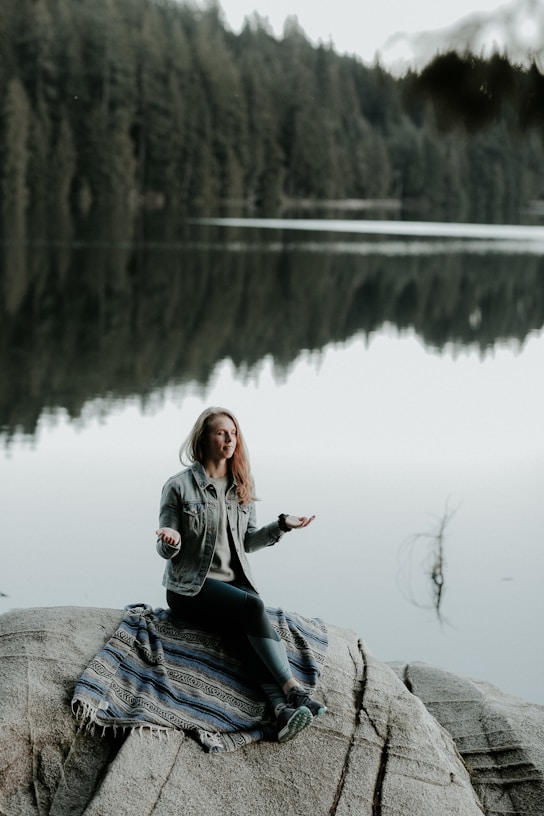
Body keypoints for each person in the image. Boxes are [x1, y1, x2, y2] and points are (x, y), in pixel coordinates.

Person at [155, 406, 327, 744]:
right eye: (221, 432)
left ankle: (281, 713)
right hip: (190, 589)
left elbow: (248, 542)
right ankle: (293, 689)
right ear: (203, 438)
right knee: (252, 607)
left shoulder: (241, 486)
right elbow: (165, 545)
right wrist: (171, 542)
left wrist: (281, 526)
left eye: (233, 433)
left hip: (230, 587)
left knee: (241, 639)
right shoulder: (178, 486)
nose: (230, 438)